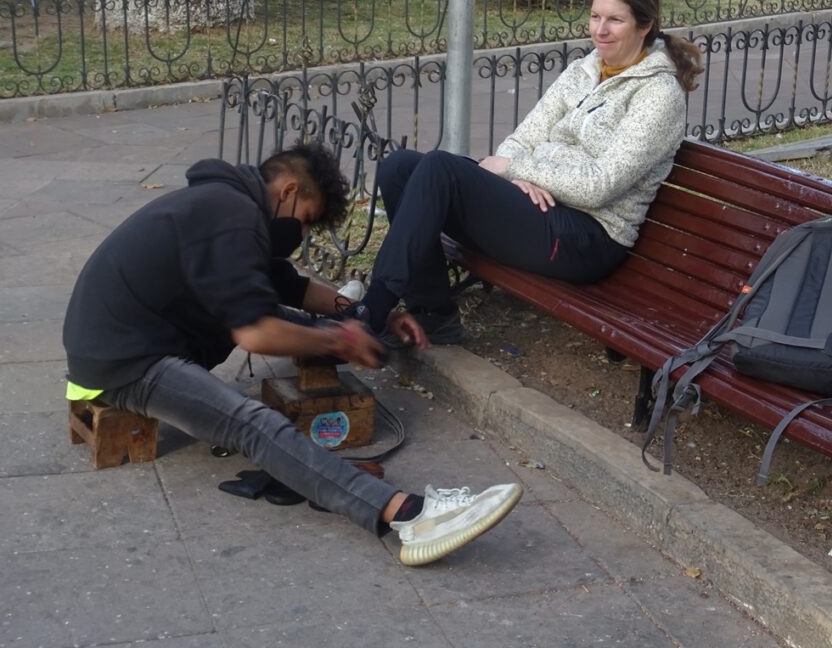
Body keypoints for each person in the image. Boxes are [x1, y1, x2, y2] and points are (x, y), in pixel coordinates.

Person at [62, 142, 523, 567]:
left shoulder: (223, 205)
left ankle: (389, 504)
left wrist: (361, 320)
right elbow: (255, 334)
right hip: (126, 361)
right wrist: (339, 341)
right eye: (304, 218)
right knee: (252, 423)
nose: (299, 235)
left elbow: (286, 286)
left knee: (297, 325)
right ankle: (407, 516)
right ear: (287, 190)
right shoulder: (231, 213)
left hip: (127, 340)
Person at [350, 0, 704, 346]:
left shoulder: (658, 95)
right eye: (595, 16)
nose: (600, 30)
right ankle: (432, 311)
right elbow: (520, 142)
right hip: (540, 210)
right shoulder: (582, 71)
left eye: (615, 20)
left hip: (589, 235)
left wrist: (521, 169)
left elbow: (599, 186)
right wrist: (519, 177)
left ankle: (369, 315)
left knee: (440, 169)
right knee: (399, 167)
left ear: (644, 24)